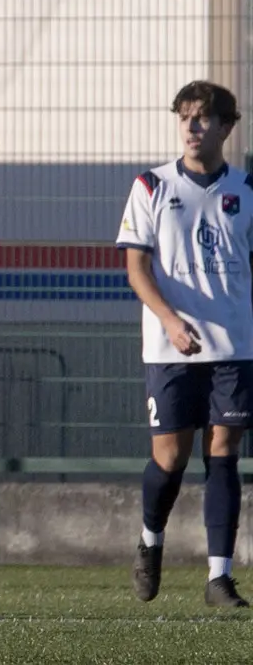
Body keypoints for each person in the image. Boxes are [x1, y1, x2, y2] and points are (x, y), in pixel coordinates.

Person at [117, 79, 252, 608]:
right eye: (185, 118)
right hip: (170, 348)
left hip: (234, 347)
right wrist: (171, 320)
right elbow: (136, 268)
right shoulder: (151, 186)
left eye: (202, 118)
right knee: (170, 458)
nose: (192, 128)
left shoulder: (245, 190)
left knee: (224, 453)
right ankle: (151, 541)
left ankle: (219, 577)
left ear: (226, 126)